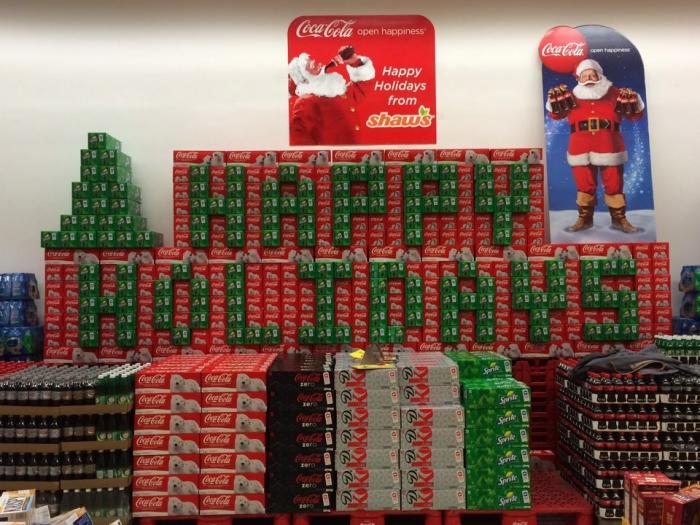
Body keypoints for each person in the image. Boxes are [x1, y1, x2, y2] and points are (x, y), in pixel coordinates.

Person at [547, 58, 645, 233]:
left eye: (592, 75)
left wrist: (635, 101)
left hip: (610, 145)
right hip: (580, 147)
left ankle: (619, 219)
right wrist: (552, 102)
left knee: (614, 183)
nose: (589, 79)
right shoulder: (569, 96)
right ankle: (585, 219)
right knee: (584, 184)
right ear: (578, 78)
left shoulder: (616, 93)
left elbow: (635, 116)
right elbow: (555, 115)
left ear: (600, 75)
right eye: (584, 76)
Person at [288, 46, 375, 145]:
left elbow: (362, 87)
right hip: (333, 154)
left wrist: (354, 62)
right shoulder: (306, 101)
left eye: (310, 59)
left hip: (352, 151)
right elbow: (299, 137)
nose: (314, 61)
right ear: (304, 77)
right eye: (307, 64)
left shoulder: (337, 90)